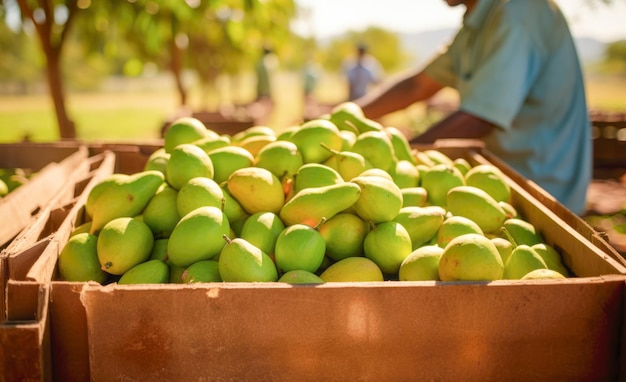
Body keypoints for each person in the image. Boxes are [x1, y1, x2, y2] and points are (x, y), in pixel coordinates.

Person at [355, 0, 591, 215]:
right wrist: (344, 116)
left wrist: (402, 157)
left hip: (541, 190)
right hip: (497, 181)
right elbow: (418, 86)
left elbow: (479, 118)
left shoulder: (519, 10)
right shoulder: (478, 22)